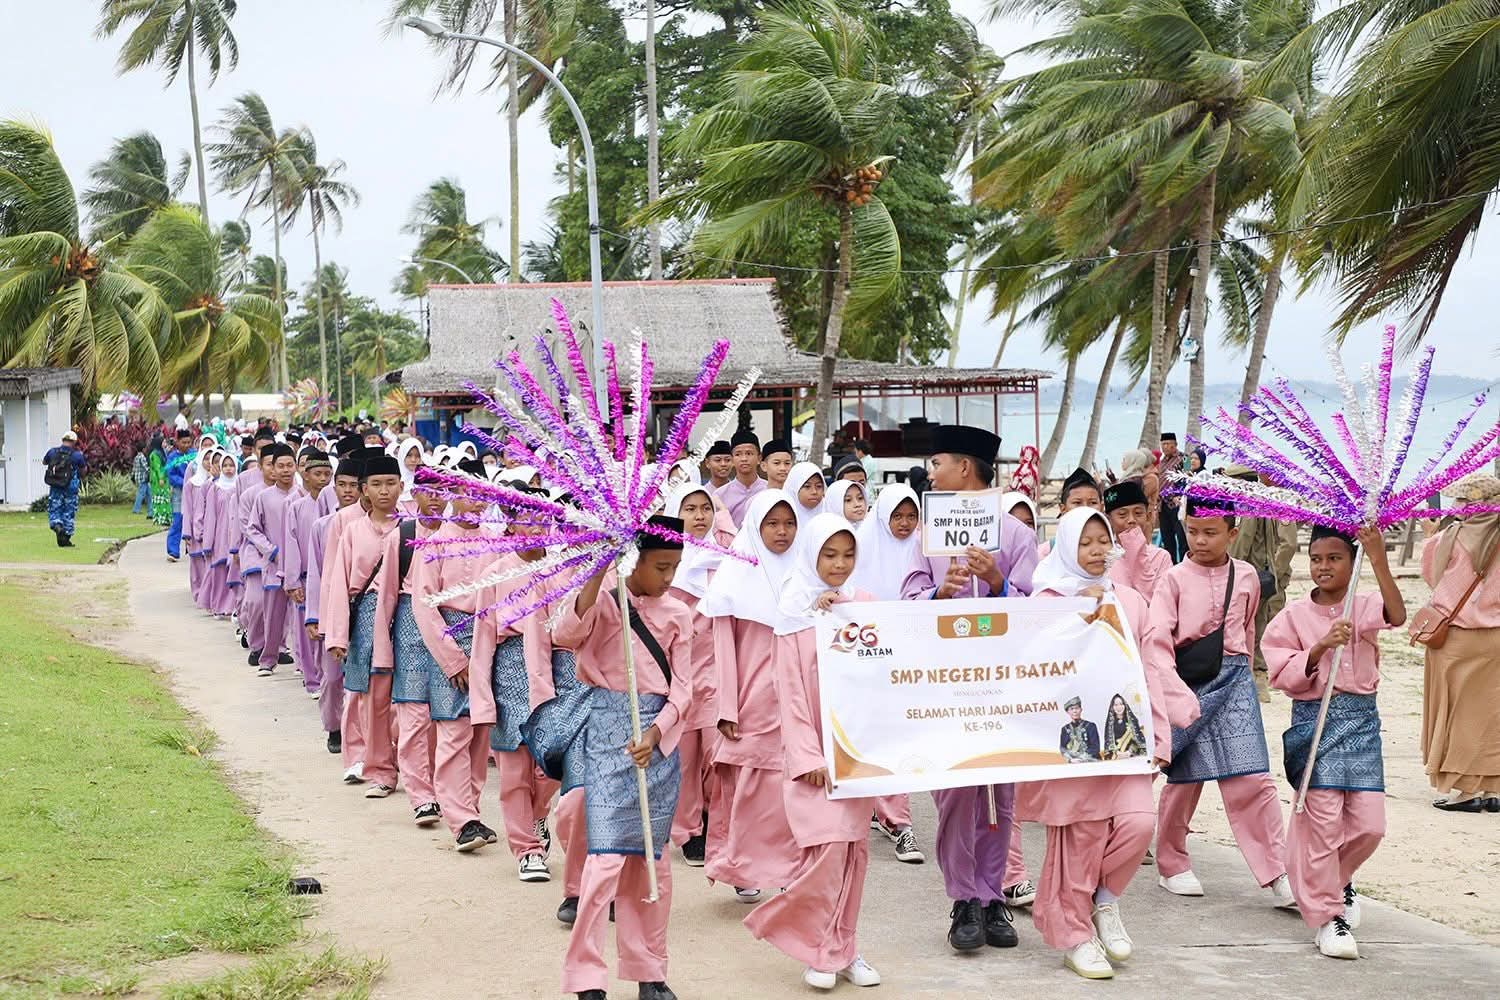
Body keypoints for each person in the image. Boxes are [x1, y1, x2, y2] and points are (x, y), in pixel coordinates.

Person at [1017, 507, 1199, 979]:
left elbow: (1152, 668)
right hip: (1076, 747)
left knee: (1139, 824)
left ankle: (1106, 900)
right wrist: (1083, 616)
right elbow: (1035, 668)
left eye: (1104, 541)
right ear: (1066, 547)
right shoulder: (1048, 600)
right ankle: (1074, 936)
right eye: (1086, 543)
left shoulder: (1132, 601)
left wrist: (1161, 735)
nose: (1098, 551)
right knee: (1083, 838)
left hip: (1125, 739)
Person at [900, 423, 1037, 953]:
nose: (931, 474)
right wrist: (941, 591)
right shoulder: (926, 537)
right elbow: (907, 601)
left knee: (1000, 790)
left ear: (964, 468)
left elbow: (1038, 608)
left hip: (1001, 680)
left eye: (937, 464)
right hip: (944, 679)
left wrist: (999, 584)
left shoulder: (1016, 534)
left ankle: (992, 895)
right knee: (955, 789)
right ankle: (962, 898)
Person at [553, 516, 694, 1000]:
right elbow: (566, 633)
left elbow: (686, 688)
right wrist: (598, 569)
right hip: (607, 733)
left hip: (657, 746)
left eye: (675, 567)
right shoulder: (607, 601)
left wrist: (657, 732)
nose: (668, 577)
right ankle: (586, 976)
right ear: (635, 559)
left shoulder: (679, 613)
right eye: (660, 566)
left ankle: (650, 973)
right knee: (607, 860)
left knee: (654, 863)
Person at [744, 514, 882, 991]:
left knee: (854, 855)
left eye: (848, 555)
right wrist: (808, 757)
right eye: (829, 554)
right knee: (825, 855)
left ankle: (844, 946)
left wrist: (842, 611)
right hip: (814, 763)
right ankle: (821, 947)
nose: (839, 565)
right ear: (811, 555)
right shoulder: (794, 614)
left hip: (855, 754)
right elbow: (791, 694)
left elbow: (884, 672)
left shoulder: (862, 606)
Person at [1142, 495, 1294, 906]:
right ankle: (1172, 863)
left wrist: (1244, 672)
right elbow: (1157, 641)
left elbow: (1246, 632)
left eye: (1210, 533)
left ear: (1232, 532)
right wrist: (1173, 695)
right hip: (1187, 683)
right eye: (1192, 531)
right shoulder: (1172, 579)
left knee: (1252, 778)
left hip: (1236, 681)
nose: (1199, 540)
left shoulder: (1245, 576)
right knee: (1185, 778)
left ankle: (1277, 870)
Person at [1265, 524, 1406, 960]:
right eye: (1317, 558)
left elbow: (1397, 615)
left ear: (1351, 562)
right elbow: (1280, 670)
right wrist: (1320, 646)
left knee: (1369, 825)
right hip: (1316, 722)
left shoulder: (1362, 605)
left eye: (1335, 558)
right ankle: (1329, 917)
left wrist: (1378, 556)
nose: (1324, 567)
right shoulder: (1291, 616)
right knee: (1322, 823)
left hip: (1362, 723)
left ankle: (1333, 879)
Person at [700, 491, 805, 903]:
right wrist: (727, 706)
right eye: (772, 524)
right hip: (750, 700)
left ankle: (785, 868)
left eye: (789, 524)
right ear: (755, 527)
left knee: (786, 790)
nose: (782, 532)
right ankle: (742, 867)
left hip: (793, 698)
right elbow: (723, 649)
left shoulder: (804, 574)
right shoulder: (734, 576)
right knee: (747, 790)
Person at [468, 490, 564, 880]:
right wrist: (483, 695)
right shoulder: (496, 573)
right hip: (509, 668)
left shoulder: (563, 567)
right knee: (513, 766)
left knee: (552, 767)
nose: (534, 526)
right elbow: (482, 638)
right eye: (525, 517)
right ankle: (526, 849)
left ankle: (538, 814)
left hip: (557, 667)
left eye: (541, 518)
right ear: (509, 522)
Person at [847, 485, 926, 865]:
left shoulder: (924, 549)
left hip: (911, 656)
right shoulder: (861, 547)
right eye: (898, 516)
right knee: (874, 734)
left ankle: (899, 820)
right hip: (870, 655)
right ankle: (880, 807)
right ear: (883, 517)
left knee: (902, 735)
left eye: (911, 516)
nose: (905, 524)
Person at [323, 451, 405, 800]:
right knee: (372, 696)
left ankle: (408, 761)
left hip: (405, 615)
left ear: (402, 486)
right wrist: (337, 634)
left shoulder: (412, 527)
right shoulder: (352, 530)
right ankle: (379, 768)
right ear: (364, 490)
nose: (384, 491)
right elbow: (339, 583)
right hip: (366, 616)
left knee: (411, 698)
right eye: (376, 485)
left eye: (390, 483)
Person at [1418, 473, 1500, 811]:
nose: (1456, 507)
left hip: (1456, 637)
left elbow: (1433, 577)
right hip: (1496, 637)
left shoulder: (1450, 537)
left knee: (1454, 712)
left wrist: (1429, 536)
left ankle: (1466, 790)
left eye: (1463, 500)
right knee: (1491, 712)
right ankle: (1491, 788)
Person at [662, 482, 731, 867]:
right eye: (690, 509)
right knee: (685, 758)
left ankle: (714, 823)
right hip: (681, 672)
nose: (699, 515)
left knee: (716, 755)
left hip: (719, 669)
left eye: (706, 508)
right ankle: (688, 831)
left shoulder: (727, 561)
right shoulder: (666, 565)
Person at [1228, 468, 1301, 702]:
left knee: (1258, 627)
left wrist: (1276, 575)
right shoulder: (1263, 501)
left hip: (1258, 575)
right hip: (1262, 574)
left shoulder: (1255, 504)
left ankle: (1259, 680)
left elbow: (1284, 544)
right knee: (1259, 626)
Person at [245, 444, 300, 677]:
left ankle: (303, 663)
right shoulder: (263, 498)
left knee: (300, 618)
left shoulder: (303, 496)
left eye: (290, 465)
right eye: (281, 466)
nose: (286, 470)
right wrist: (271, 550)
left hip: (299, 568)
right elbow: (253, 529)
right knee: (273, 615)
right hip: (274, 565)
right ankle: (268, 659)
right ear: (272, 470)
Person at [1104, 479, 1172, 602]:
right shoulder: (1103, 556)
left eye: (1138, 513)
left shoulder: (1161, 557)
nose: (1131, 520)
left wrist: (1137, 552)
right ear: (1109, 520)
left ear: (1148, 516)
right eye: (1122, 515)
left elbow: (1158, 602)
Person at [42, 430, 87, 547]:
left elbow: (44, 462)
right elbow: (83, 471)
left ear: (63, 440)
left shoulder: (52, 452)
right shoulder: (77, 455)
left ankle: (57, 526)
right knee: (69, 511)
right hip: (70, 487)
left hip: (55, 485)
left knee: (55, 509)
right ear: (74, 442)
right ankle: (66, 539)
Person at [717, 429, 766, 528]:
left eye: (749, 453)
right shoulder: (719, 495)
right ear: (732, 460)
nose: (744, 459)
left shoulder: (769, 490)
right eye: (738, 454)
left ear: (759, 458)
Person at [165, 428, 194, 561]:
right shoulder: (173, 457)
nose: (186, 445)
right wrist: (186, 482)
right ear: (177, 442)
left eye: (188, 442)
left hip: (195, 492)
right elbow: (171, 476)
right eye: (184, 442)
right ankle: (173, 551)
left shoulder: (194, 455)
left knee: (195, 520)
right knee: (178, 520)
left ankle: (193, 549)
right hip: (179, 492)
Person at [1059, 697, 1101, 762]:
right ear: (1068, 712)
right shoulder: (1065, 729)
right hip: (1074, 763)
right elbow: (1063, 748)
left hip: (1092, 762)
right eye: (1071, 709)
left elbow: (1095, 747)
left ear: (1081, 709)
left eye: (1077, 708)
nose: (1074, 711)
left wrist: (1082, 758)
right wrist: (1070, 760)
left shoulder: (1090, 726)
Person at [788, 462, 826, 526]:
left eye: (819, 486)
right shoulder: (781, 516)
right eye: (807, 486)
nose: (814, 492)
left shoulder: (830, 514)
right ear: (794, 489)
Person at [131, 444, 151, 515]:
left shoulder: (136, 457)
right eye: (145, 448)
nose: (146, 450)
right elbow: (146, 468)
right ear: (143, 449)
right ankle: (136, 509)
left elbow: (134, 468)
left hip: (138, 478)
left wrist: (132, 476)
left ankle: (150, 510)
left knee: (149, 494)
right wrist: (152, 471)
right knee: (141, 494)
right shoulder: (142, 457)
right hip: (143, 478)